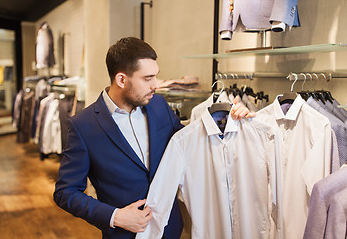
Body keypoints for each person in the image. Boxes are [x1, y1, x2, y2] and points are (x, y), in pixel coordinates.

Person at [53, 36, 253, 239]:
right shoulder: (83, 126)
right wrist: (115, 216)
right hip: (125, 234)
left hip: (170, 229)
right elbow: (65, 192)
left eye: (155, 76)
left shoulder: (159, 106)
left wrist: (232, 117)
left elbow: (190, 144)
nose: (156, 85)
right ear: (121, 80)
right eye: (147, 78)